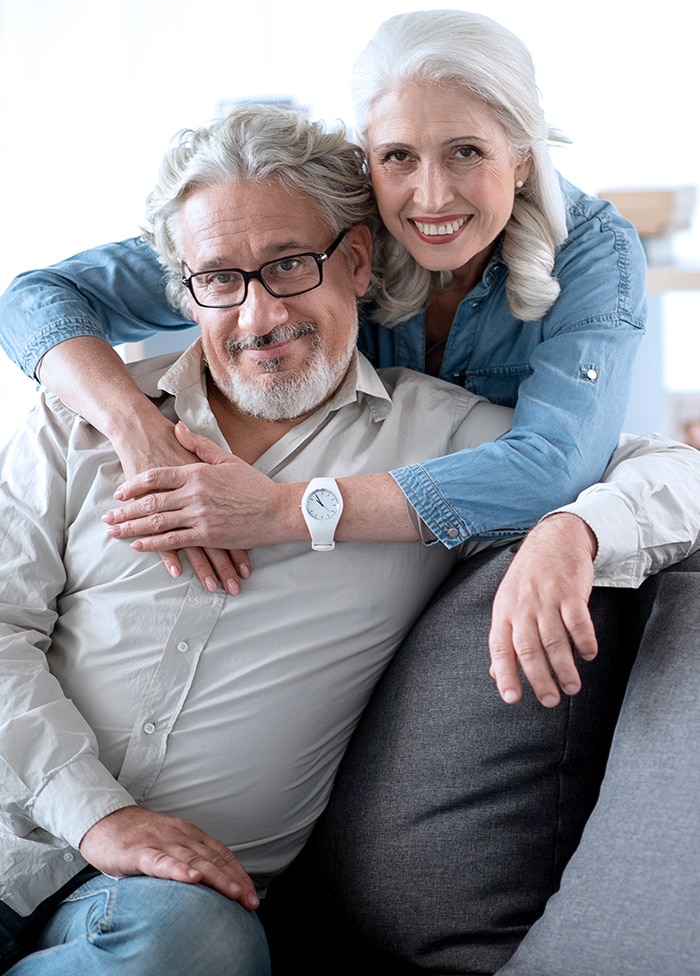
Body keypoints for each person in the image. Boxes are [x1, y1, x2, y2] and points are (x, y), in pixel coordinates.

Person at [0, 105, 698, 976]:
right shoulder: (83, 423)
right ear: (184, 292)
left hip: (163, 909)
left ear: (358, 261)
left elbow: (676, 474)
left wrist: (574, 527)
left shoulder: (449, 444)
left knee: (195, 947)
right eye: (219, 278)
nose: (259, 316)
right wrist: (98, 817)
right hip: (11, 830)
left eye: (289, 265)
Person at [0, 12, 647, 687]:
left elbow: (556, 465)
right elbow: (36, 299)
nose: (429, 195)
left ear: (521, 156)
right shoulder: (336, 214)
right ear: (370, 154)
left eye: (466, 151)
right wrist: (137, 428)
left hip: (403, 552)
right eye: (398, 155)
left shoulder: (594, 252)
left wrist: (285, 510)